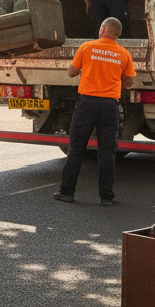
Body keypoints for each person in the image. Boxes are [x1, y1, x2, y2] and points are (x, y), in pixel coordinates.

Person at [55, 17, 135, 206]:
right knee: (107, 151)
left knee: (76, 148)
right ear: (118, 34)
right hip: (109, 106)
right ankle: (106, 196)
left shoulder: (87, 47)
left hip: (87, 104)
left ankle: (67, 192)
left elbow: (72, 72)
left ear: (102, 29)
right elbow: (129, 82)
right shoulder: (123, 54)